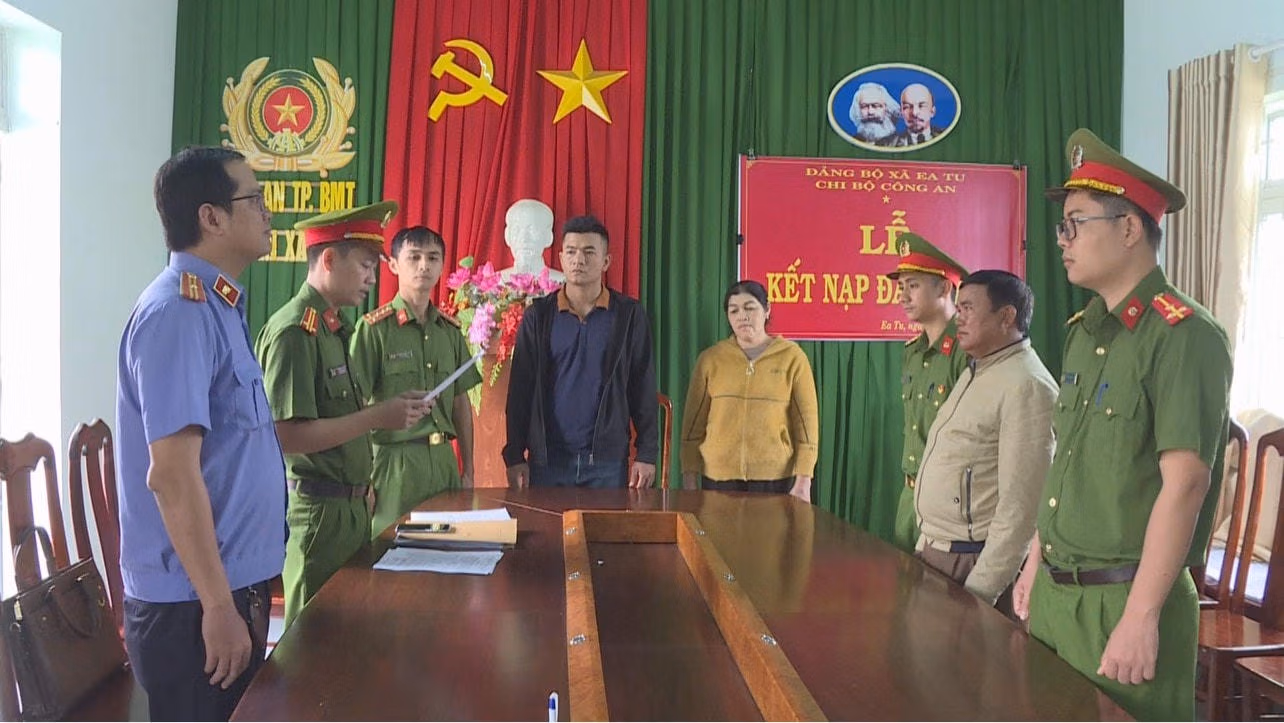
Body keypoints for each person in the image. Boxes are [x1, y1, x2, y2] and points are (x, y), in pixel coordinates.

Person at [1011, 128, 1232, 721]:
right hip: (1058, 594)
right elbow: (1068, 462)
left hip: (1124, 601)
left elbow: (1186, 484)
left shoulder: (1184, 335)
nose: (1063, 240)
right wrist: (1035, 562)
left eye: (1076, 223)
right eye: (1063, 226)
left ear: (1130, 228)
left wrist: (1142, 616)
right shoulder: (1084, 333)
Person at [116, 146, 285, 721]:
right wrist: (216, 605)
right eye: (255, 200)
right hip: (193, 604)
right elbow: (171, 474)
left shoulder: (218, 307)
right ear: (211, 217)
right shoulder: (179, 313)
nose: (267, 213)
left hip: (226, 589)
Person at [255, 201, 433, 626]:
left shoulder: (334, 328)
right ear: (330, 260)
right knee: (311, 638)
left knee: (345, 636)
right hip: (320, 514)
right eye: (365, 266)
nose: (373, 278)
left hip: (351, 508)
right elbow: (287, 436)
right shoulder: (296, 332)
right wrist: (377, 417)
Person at [913, 270, 1056, 613]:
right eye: (958, 308)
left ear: (1006, 317)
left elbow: (1020, 510)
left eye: (968, 308)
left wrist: (980, 591)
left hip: (971, 566)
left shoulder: (1026, 385)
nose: (958, 318)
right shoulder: (978, 369)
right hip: (939, 555)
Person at [503, 214, 658, 489]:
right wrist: (514, 455)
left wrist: (646, 453)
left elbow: (642, 387)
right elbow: (520, 391)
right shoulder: (539, 316)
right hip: (548, 462)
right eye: (571, 252)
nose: (579, 260)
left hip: (607, 464)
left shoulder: (628, 315)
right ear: (561, 258)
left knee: (605, 522)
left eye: (589, 252)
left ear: (606, 261)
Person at [350, 225, 482, 538]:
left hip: (443, 462)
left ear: (442, 266)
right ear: (394, 265)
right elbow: (354, 408)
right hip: (394, 465)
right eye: (414, 257)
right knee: (391, 550)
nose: (424, 265)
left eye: (433, 258)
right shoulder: (374, 330)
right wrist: (362, 479)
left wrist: (468, 470)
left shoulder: (449, 331)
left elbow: (461, 402)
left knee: (447, 551)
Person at [679, 280, 819, 501]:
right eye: (733, 310)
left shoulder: (793, 358)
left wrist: (804, 480)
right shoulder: (710, 360)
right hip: (717, 478)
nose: (742, 316)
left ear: (767, 309)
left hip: (774, 478)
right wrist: (689, 476)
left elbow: (806, 425)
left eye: (749, 308)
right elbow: (692, 426)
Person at [886, 232, 969, 553]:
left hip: (949, 502)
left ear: (945, 288)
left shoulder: (966, 351)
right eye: (901, 287)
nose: (903, 296)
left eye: (913, 285)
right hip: (910, 496)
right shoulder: (913, 352)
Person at [499, 198, 566, 283]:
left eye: (532, 230)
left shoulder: (562, 283)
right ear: (507, 235)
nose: (524, 238)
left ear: (548, 237)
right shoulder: (496, 283)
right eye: (516, 230)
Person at [848, 82, 902, 146]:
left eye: (876, 106)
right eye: (864, 106)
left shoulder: (901, 143)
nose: (870, 112)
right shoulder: (851, 142)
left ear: (887, 109)